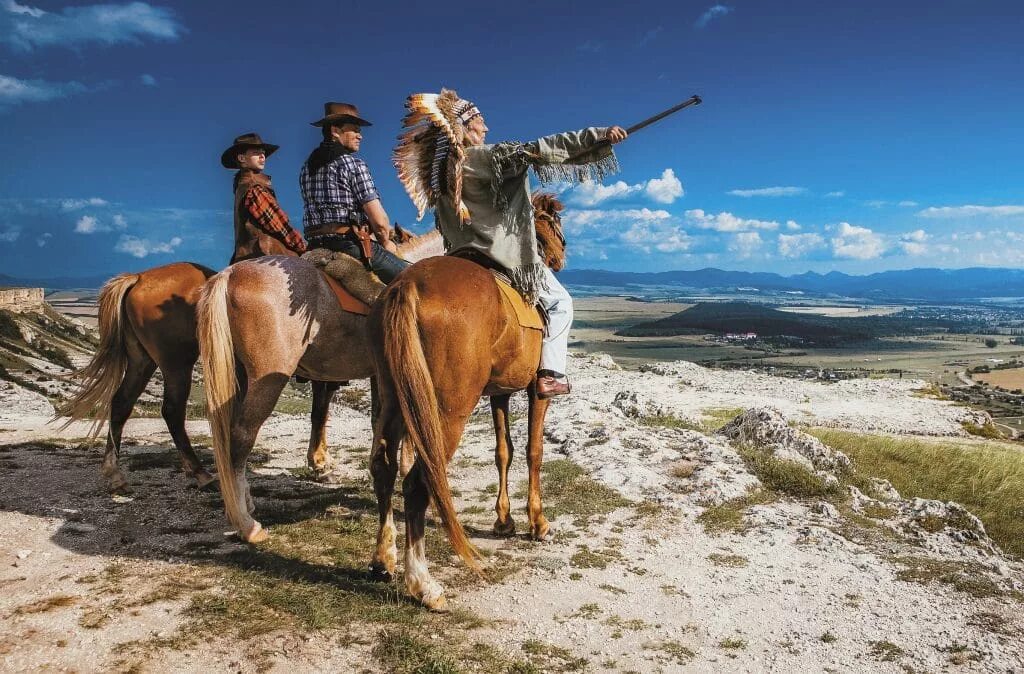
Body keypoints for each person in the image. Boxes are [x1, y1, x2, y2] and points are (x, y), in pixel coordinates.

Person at [393, 90, 626, 398]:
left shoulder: (441, 174)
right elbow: (540, 149)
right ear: (462, 126)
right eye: (480, 121)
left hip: (458, 257)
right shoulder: (482, 157)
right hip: (499, 255)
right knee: (560, 302)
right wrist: (597, 136)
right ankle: (551, 374)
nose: (486, 129)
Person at [300, 102, 409, 283]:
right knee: (415, 280)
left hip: (313, 246)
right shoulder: (352, 164)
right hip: (348, 245)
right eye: (355, 131)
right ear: (335, 131)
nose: (360, 136)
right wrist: (386, 242)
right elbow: (380, 223)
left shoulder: (306, 168)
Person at [220, 132, 307, 264]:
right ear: (242, 158)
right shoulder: (254, 187)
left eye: (263, 153)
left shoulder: (241, 185)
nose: (262, 156)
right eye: (256, 152)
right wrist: (303, 248)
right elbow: (279, 224)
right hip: (263, 256)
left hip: (243, 258)